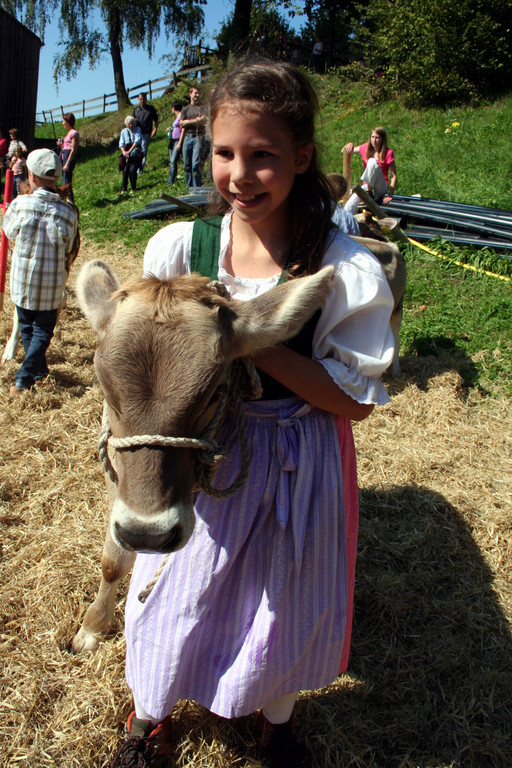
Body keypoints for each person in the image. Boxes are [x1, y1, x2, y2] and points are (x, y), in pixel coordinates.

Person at [110, 59, 394, 768]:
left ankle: (275, 720)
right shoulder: (184, 246)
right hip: (205, 454)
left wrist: (251, 343)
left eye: (262, 155)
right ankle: (150, 714)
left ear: (302, 156)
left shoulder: (342, 268)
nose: (239, 175)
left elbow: (354, 403)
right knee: (172, 589)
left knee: (282, 603)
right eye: (224, 153)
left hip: (297, 452)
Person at [2, 148, 78, 398]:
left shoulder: (19, 204)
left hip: (23, 282)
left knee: (26, 326)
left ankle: (25, 377)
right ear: (56, 179)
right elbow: (69, 245)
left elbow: (9, 232)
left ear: (31, 177)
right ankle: (35, 373)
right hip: (50, 285)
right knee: (43, 331)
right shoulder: (68, 211)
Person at [342, 126, 397, 214]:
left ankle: (369, 193)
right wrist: (349, 145)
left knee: (372, 161)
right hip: (366, 185)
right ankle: (348, 220)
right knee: (349, 206)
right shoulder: (365, 148)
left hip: (380, 186)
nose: (374, 140)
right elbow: (344, 151)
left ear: (382, 139)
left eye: (377, 138)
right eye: (372, 137)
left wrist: (390, 194)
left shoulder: (388, 153)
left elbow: (393, 176)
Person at [179, 86, 207, 188]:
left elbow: (203, 119)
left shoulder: (202, 107)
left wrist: (189, 122)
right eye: (195, 93)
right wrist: (196, 120)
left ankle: (197, 187)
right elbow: (181, 123)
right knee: (186, 164)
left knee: (196, 163)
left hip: (198, 137)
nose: (197, 95)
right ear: (190, 94)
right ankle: (189, 187)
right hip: (187, 137)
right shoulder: (185, 109)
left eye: (198, 93)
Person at [57, 112, 80, 203]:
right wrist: (61, 146)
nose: (62, 123)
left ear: (67, 122)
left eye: (63, 121)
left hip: (68, 158)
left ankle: (71, 204)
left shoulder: (74, 133)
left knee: (66, 182)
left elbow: (73, 149)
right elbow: (66, 147)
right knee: (64, 181)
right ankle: (67, 202)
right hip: (64, 155)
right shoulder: (69, 132)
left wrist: (67, 163)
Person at [133, 92, 158, 173]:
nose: (142, 100)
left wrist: (155, 129)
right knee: (136, 151)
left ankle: (139, 171)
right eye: (141, 99)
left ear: (146, 99)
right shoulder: (136, 110)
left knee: (143, 151)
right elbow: (132, 122)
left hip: (146, 133)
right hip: (137, 134)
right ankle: (135, 168)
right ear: (138, 99)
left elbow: (156, 120)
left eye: (144, 98)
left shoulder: (151, 109)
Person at [119, 115, 143, 195]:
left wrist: (129, 151)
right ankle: (124, 188)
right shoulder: (123, 131)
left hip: (135, 150)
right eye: (129, 124)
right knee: (125, 170)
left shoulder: (138, 129)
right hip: (126, 150)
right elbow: (121, 143)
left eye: (132, 123)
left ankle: (133, 188)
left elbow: (137, 141)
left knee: (132, 170)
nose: (130, 125)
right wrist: (124, 152)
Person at [166, 101, 182, 185]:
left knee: (173, 160)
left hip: (177, 140)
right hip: (172, 140)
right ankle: (173, 178)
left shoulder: (181, 116)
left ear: (174, 108)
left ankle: (170, 180)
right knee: (172, 161)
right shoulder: (177, 117)